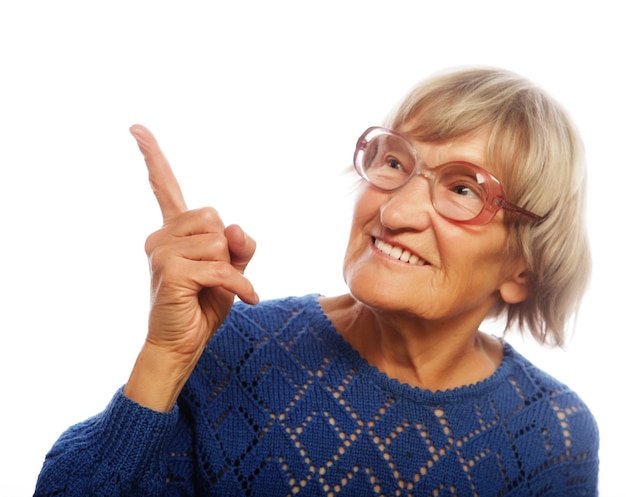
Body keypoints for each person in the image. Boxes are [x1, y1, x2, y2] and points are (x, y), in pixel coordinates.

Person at [34, 67, 599, 496]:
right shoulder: (233, 347)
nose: (396, 211)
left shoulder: (554, 437)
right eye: (397, 162)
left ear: (522, 270)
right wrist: (164, 358)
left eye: (463, 189)